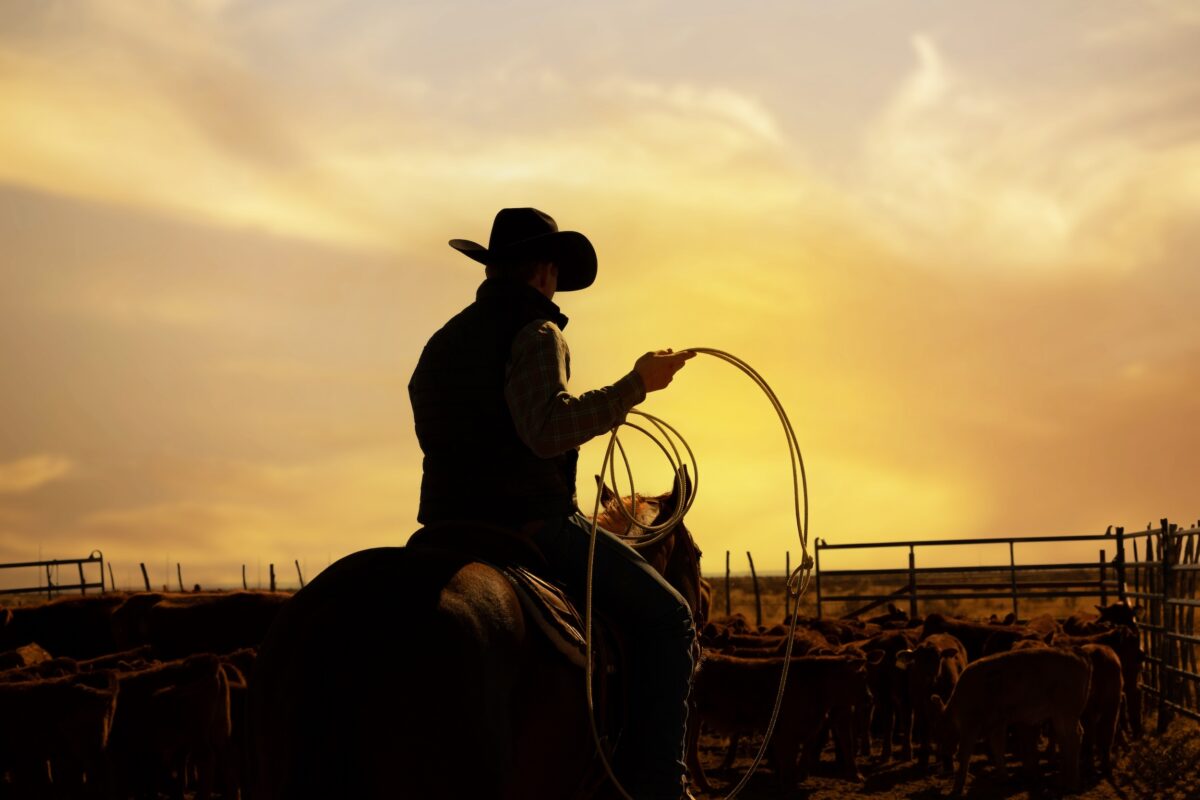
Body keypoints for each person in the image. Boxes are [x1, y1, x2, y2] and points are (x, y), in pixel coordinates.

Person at [408, 207, 697, 800]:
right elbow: (545, 429)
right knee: (671, 620)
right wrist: (636, 385)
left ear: (493, 267)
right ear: (544, 270)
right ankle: (657, 788)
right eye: (557, 273)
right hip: (530, 523)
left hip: (443, 526)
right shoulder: (539, 333)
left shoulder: (442, 341)